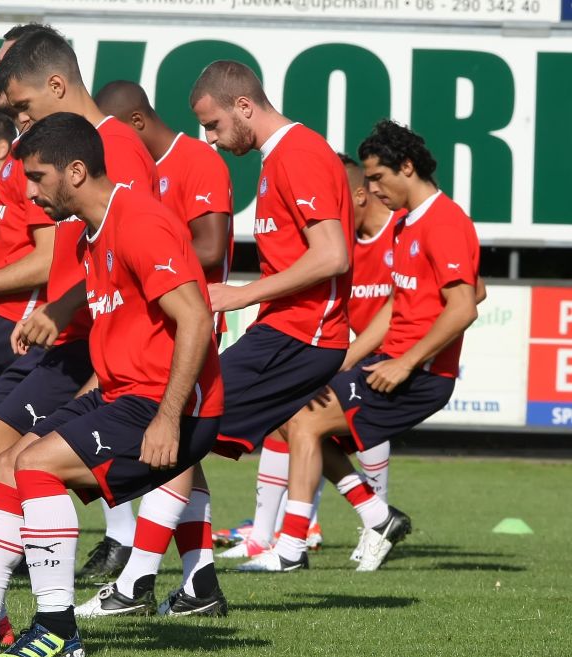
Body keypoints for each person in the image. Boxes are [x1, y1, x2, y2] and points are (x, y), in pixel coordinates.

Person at [0, 112, 222, 657]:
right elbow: (131, 328)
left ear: (75, 171)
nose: (29, 192)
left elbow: (196, 319)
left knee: (34, 467)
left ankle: (58, 630)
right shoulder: (95, 232)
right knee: (7, 460)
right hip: (123, 393)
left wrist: (168, 418)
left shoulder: (141, 222)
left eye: (37, 178)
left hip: (167, 407)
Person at [0, 24, 160, 646]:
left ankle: (7, 617)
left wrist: (56, 306)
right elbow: (71, 246)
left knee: (18, 460)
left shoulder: (114, 150)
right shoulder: (69, 149)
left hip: (90, 342)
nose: (14, 120)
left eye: (20, 106)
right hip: (62, 334)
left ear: (58, 84)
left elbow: (128, 252)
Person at [267, 120, 480, 572]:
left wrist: (406, 362)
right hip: (389, 360)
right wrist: (346, 358)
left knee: (301, 420)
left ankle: (291, 549)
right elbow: (398, 304)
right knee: (294, 417)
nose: (372, 189)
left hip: (421, 374)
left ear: (407, 167)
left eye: (378, 177)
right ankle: (374, 515)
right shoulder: (407, 224)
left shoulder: (445, 221)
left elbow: (464, 306)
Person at [72, 79, 233, 615]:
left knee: (180, 441)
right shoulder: (140, 176)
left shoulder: (199, 162)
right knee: (186, 456)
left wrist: (144, 243)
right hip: (158, 328)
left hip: (194, 328)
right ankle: (200, 583)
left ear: (135, 124)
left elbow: (208, 247)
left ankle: (135, 579)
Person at [188, 60, 353, 563]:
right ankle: (185, 574)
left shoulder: (298, 154)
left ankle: (149, 573)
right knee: (177, 427)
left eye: (214, 125)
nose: (212, 140)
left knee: (175, 421)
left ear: (243, 106)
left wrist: (243, 294)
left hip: (303, 335)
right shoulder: (277, 158)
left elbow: (333, 256)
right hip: (285, 331)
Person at [224, 153, 401, 563]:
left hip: (391, 361)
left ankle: (341, 529)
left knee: (312, 420)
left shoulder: (399, 233)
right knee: (290, 415)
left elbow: (406, 307)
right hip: (350, 353)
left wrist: (349, 358)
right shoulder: (337, 242)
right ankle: (281, 532)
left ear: (358, 195)